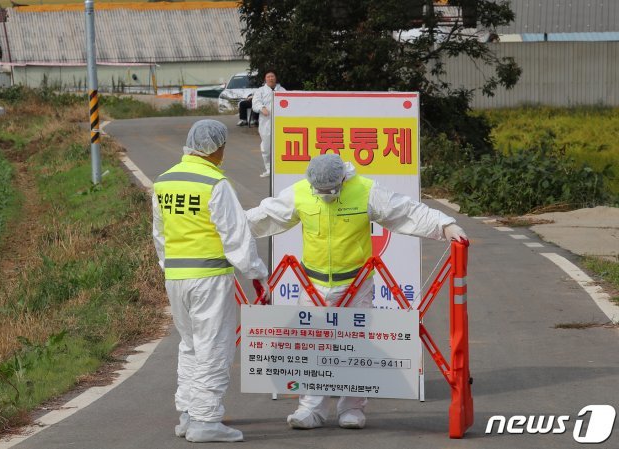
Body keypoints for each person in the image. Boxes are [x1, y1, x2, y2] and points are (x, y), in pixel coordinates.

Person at [246, 153, 468, 430]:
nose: (326, 195)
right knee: (312, 345)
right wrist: (227, 229)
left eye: (331, 190)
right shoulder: (300, 192)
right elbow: (264, 215)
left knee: (356, 345)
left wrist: (444, 225)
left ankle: (351, 408)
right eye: (321, 191)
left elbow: (405, 211)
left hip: (355, 283)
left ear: (342, 179)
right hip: (313, 284)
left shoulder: (365, 191)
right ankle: (311, 408)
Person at [152, 119, 270, 443]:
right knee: (214, 348)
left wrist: (170, 268)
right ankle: (206, 420)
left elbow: (159, 235)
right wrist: (258, 274)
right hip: (209, 277)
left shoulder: (164, 182)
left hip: (176, 276)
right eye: (223, 148)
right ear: (216, 148)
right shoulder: (216, 183)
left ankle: (188, 414)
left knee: (189, 346)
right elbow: (237, 237)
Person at [251, 69, 285, 177]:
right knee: (266, 147)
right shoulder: (260, 91)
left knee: (281, 146)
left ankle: (279, 169)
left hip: (281, 122)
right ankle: (269, 169)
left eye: (272, 76)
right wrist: (262, 108)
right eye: (268, 76)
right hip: (266, 123)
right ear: (265, 79)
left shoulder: (282, 90)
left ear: (276, 78)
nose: (271, 78)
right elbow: (255, 103)